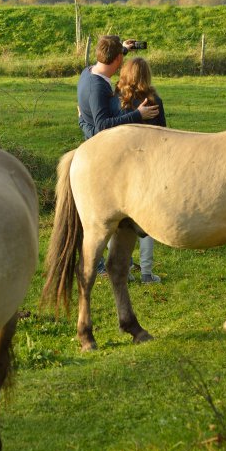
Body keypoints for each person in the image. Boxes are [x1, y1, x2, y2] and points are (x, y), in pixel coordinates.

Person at [76, 35, 160, 282]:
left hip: (102, 151)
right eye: (121, 56)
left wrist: (122, 48)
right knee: (105, 215)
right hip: (103, 156)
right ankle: (103, 265)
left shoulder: (87, 72)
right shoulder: (98, 87)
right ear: (117, 61)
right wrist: (137, 114)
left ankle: (122, 261)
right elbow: (102, 126)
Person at [114, 57, 167, 283]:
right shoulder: (153, 100)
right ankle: (146, 271)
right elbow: (164, 134)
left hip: (123, 166)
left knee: (118, 219)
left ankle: (123, 269)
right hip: (148, 165)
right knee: (147, 220)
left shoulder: (118, 100)